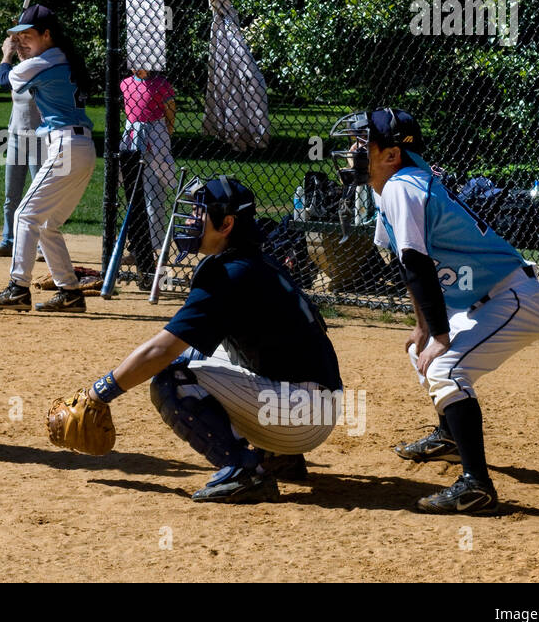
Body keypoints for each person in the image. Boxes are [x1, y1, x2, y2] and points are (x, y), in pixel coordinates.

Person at [46, 176, 344, 502]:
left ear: (226, 223)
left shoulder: (229, 273)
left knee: (171, 379)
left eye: (198, 213)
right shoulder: (254, 260)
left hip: (299, 413)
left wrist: (99, 393)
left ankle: (243, 469)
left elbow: (160, 349)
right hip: (310, 404)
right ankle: (277, 456)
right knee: (191, 359)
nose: (188, 220)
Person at [330, 108, 539, 514]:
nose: (352, 150)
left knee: (445, 367)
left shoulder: (402, 187)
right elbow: (410, 264)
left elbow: (417, 264)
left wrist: (439, 335)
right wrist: (424, 329)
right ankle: (451, 436)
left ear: (392, 155)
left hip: (513, 298)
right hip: (485, 297)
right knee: (424, 355)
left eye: (363, 143)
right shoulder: (394, 187)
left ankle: (476, 486)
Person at [0, 4, 96, 313]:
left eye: (28, 36)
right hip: (81, 147)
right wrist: (20, 48)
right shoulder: (62, 57)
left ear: (47, 35)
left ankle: (18, 288)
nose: (22, 42)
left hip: (65, 145)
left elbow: (5, 81)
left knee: (24, 215)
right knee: (47, 224)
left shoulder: (46, 59)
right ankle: (70, 292)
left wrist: (6, 53)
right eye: (18, 37)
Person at [0, 33, 45, 257]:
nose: (20, 49)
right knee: (11, 195)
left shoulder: (36, 69)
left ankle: (42, 245)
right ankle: (8, 240)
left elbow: (4, 80)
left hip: (38, 138)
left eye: (24, 45)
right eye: (17, 45)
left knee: (38, 195)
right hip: (15, 137)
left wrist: (6, 55)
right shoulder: (21, 70)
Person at [119, 67, 178, 285]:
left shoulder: (160, 83)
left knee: (155, 195)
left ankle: (156, 249)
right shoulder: (125, 83)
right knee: (134, 194)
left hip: (156, 137)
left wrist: (166, 131)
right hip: (133, 136)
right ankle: (137, 247)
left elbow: (170, 109)